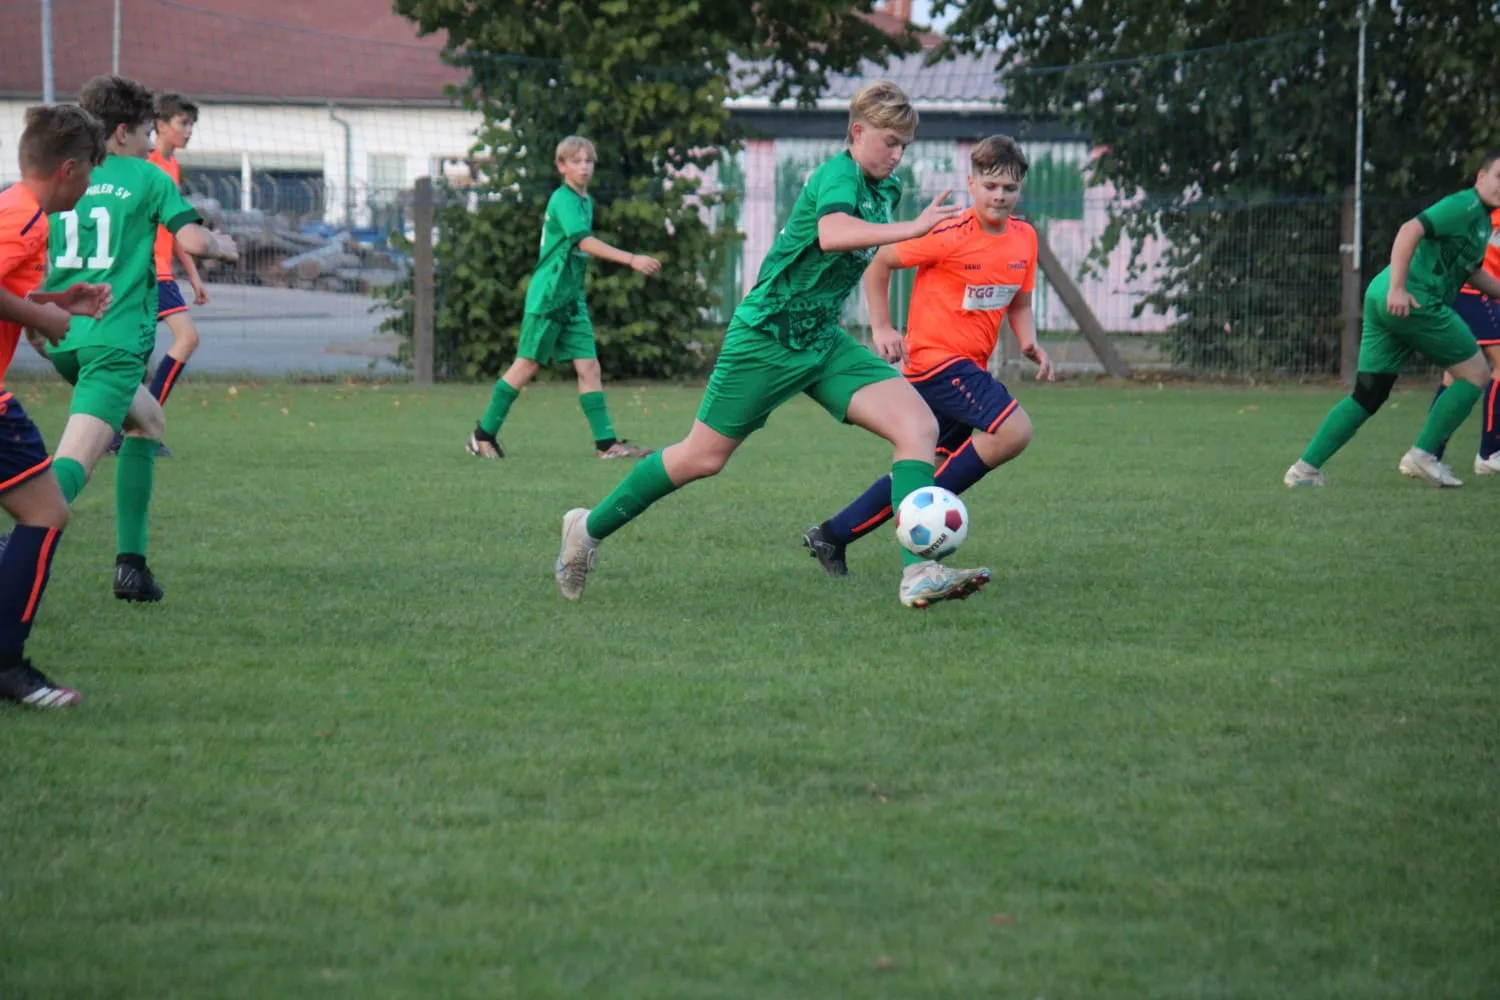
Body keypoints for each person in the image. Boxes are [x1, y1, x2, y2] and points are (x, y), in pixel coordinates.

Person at [553, 81, 993, 609]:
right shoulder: (838, 176)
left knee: (918, 426)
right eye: (889, 142)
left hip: (821, 340)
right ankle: (586, 529)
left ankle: (918, 572)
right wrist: (911, 229)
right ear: (857, 133)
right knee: (701, 457)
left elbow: (861, 250)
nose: (897, 154)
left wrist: (880, 320)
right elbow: (832, 233)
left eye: (904, 145)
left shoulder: (886, 189)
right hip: (766, 337)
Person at [804, 134, 1054, 576]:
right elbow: (879, 260)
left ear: (1020, 190)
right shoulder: (949, 232)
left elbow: (1019, 302)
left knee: (922, 468)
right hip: (936, 363)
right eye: (990, 186)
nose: (999, 196)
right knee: (1014, 430)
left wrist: (1029, 341)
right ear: (972, 184)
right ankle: (929, 511)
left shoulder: (1025, 238)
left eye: (1009, 188)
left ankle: (832, 535)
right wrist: (883, 326)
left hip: (967, 369)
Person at [40, 75, 237, 603]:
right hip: (114, 341)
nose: (152, 143)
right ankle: (19, 539)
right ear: (122, 132)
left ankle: (133, 567)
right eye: (148, 132)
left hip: (63, 337)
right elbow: (193, 239)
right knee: (75, 461)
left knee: (147, 422)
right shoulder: (147, 176)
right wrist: (223, 245)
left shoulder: (65, 175)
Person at [1284, 149, 1500, 488]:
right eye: (1499, 177)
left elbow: (1471, 272)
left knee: (1368, 395)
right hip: (1413, 298)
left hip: (1383, 296)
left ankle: (1304, 470)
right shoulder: (1465, 205)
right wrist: (1398, 288)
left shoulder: (1483, 223)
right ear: (1481, 177)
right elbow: (1409, 229)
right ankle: (1423, 454)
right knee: (1476, 374)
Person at [0, 104, 111, 708]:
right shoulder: (25, 219)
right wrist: (42, 318)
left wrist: (57, 302)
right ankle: (6, 666)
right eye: (89, 171)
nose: (89, 185)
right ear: (68, 169)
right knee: (45, 514)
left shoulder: (13, 209)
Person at [466, 135, 661, 461]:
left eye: (588, 161)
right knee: (526, 365)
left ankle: (606, 445)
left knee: (589, 366)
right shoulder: (563, 199)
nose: (584, 167)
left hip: (572, 298)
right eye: (576, 161)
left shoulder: (586, 201)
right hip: (549, 295)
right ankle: (482, 436)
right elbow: (583, 242)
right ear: (561, 166)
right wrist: (631, 259)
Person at [108, 92, 206, 458]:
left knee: (138, 356)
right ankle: (141, 425)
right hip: (146, 271)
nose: (189, 130)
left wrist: (193, 274)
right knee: (186, 338)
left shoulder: (170, 165)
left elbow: (175, 224)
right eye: (183, 123)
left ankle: (123, 431)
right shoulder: (145, 164)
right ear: (160, 125)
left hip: (161, 272)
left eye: (192, 124)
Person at [1421, 205, 1500, 475]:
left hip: (1468, 291)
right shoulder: (1489, 214)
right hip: (1475, 292)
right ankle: (1490, 452)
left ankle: (1427, 452)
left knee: (1456, 375)